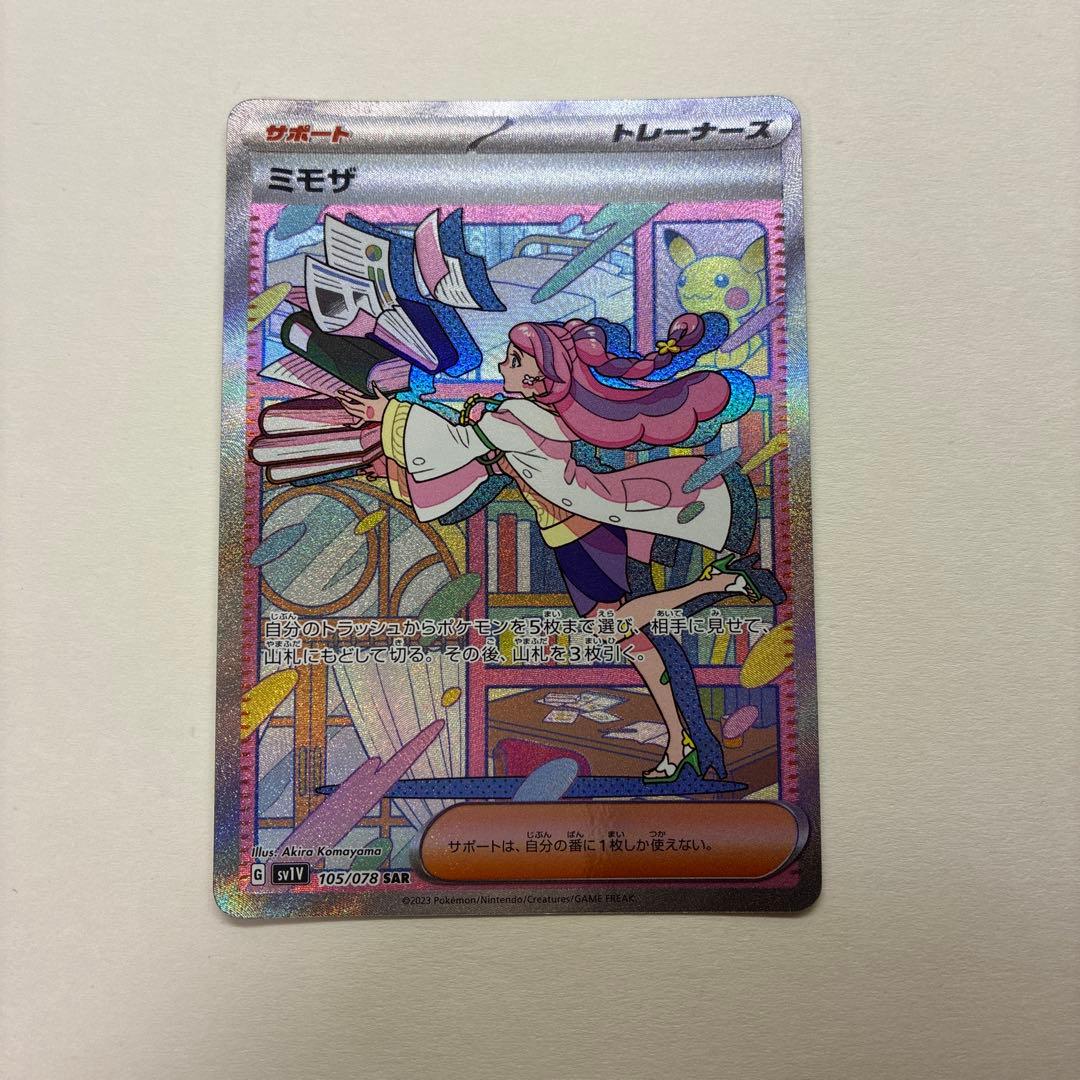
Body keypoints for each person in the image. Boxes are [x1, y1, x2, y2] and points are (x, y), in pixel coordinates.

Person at [339, 315, 773, 783]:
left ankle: (724, 583)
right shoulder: (524, 416)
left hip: (588, 533)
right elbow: (484, 461)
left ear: (537, 378)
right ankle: (681, 742)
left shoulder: (518, 418)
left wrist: (388, 414)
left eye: (514, 360)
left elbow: (453, 444)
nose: (501, 366)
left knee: (621, 628)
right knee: (637, 642)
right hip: (577, 532)